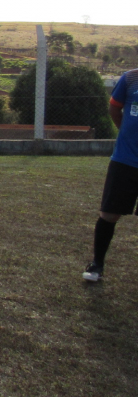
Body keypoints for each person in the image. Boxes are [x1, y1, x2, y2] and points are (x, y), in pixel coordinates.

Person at [83, 69, 138, 282]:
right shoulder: (131, 78)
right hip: (125, 159)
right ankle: (97, 264)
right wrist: (126, 134)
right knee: (109, 213)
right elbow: (115, 108)